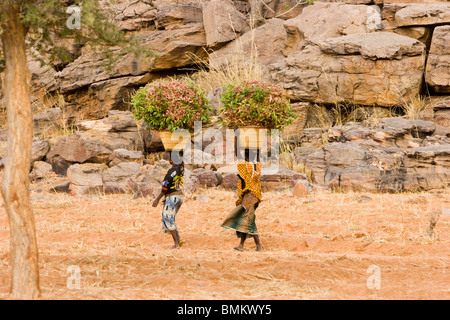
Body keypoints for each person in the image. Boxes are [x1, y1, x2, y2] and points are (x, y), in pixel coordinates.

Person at [221, 148, 262, 251]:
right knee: (247, 220)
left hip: (249, 197)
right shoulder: (256, 166)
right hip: (254, 197)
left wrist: (236, 136)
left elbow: (238, 156)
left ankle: (257, 246)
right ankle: (243, 245)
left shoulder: (246, 167)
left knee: (247, 220)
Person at [152, 151, 185, 249]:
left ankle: (176, 243)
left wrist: (157, 200)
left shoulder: (170, 172)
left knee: (168, 218)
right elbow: (182, 159)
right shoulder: (181, 168)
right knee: (171, 218)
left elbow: (164, 189)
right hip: (180, 197)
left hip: (172, 197)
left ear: (171, 160)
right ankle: (178, 240)